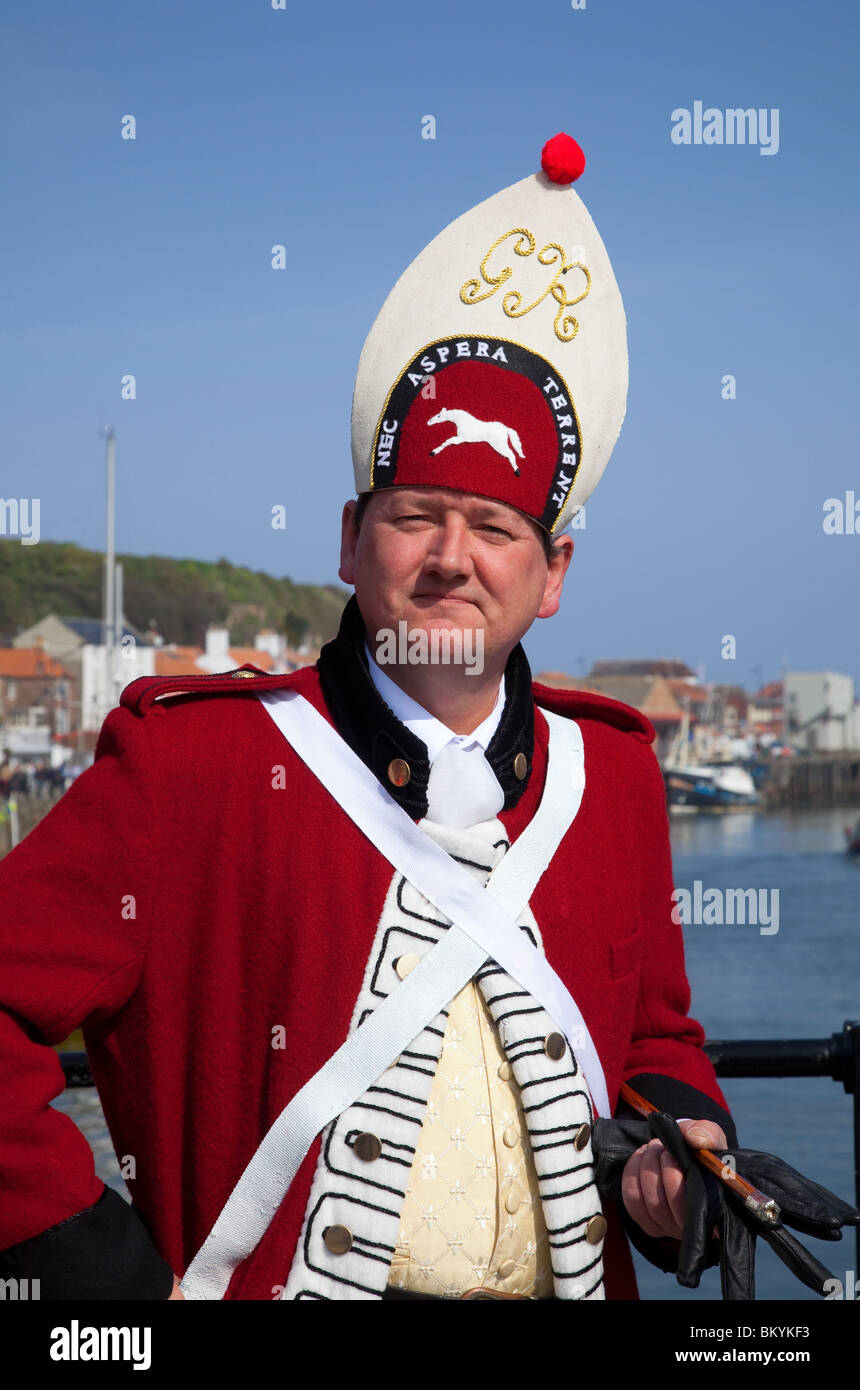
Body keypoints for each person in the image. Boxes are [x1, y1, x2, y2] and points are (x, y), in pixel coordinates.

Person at [0, 134, 736, 1302]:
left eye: (494, 530)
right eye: (415, 517)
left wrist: (681, 1152)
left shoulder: (614, 775)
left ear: (551, 576)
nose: (452, 559)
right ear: (350, 541)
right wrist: (87, 1266)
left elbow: (653, 1046)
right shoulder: (196, 762)